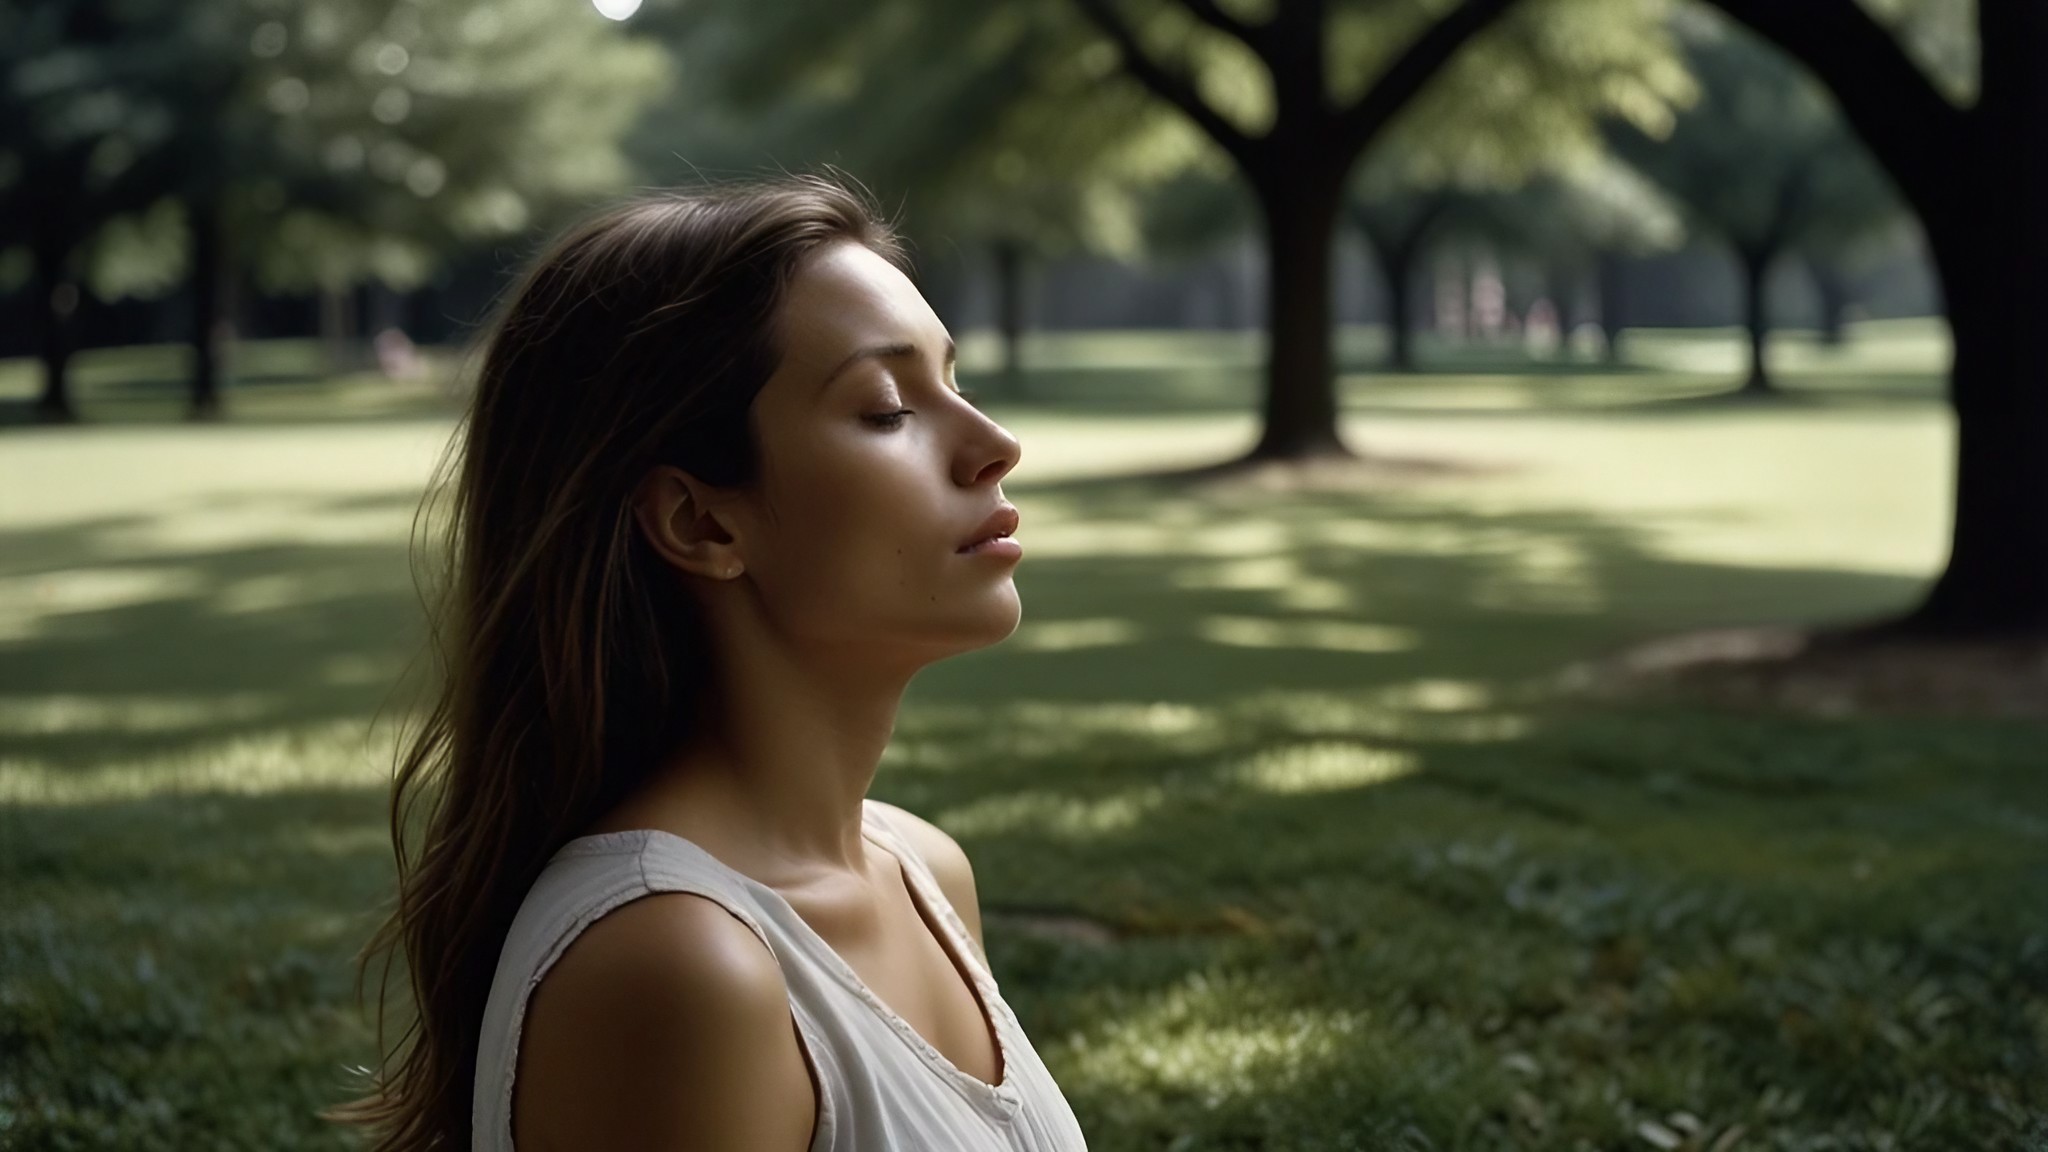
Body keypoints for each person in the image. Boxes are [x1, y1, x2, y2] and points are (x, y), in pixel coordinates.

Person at [325, 173, 1088, 1151]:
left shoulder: (925, 873)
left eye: (956, 380)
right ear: (698, 520)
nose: (994, 445)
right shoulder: (674, 961)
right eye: (889, 408)